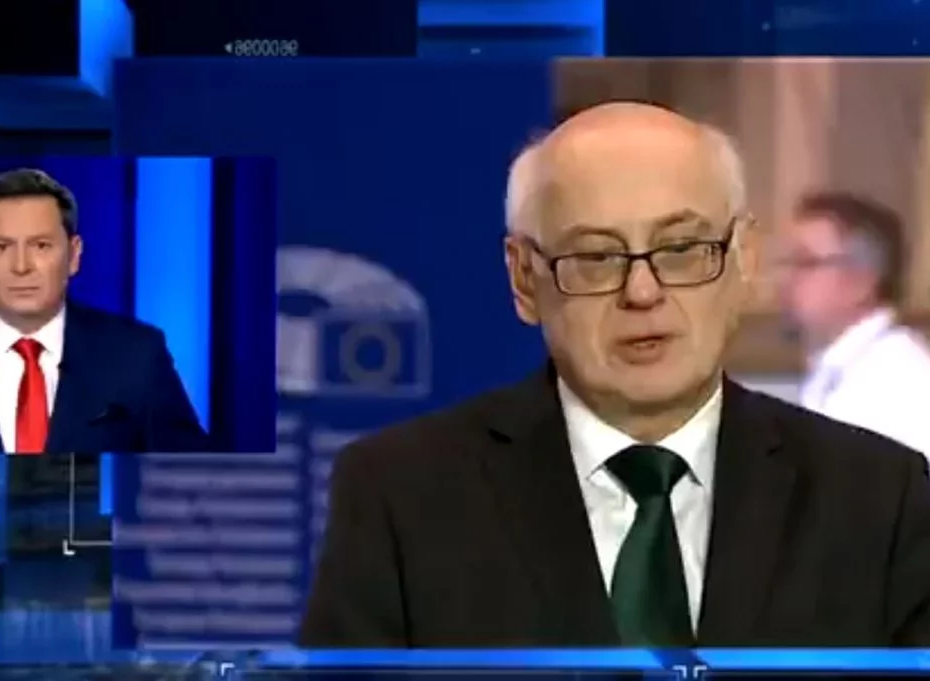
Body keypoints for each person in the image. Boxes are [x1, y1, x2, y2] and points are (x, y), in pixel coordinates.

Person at [299, 103, 930, 648]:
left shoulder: (879, 496)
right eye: (596, 256)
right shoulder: (401, 494)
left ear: (742, 260)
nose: (643, 291)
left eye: (681, 250)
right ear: (524, 279)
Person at [0, 168, 210, 454]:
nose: (21, 266)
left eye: (41, 246)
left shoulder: (137, 354)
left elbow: (190, 475)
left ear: (74, 255)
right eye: (1, 247)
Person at [780, 191, 930, 455]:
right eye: (787, 263)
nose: (785, 279)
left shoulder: (897, 381)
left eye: (806, 262)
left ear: (862, 281)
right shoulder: (842, 370)